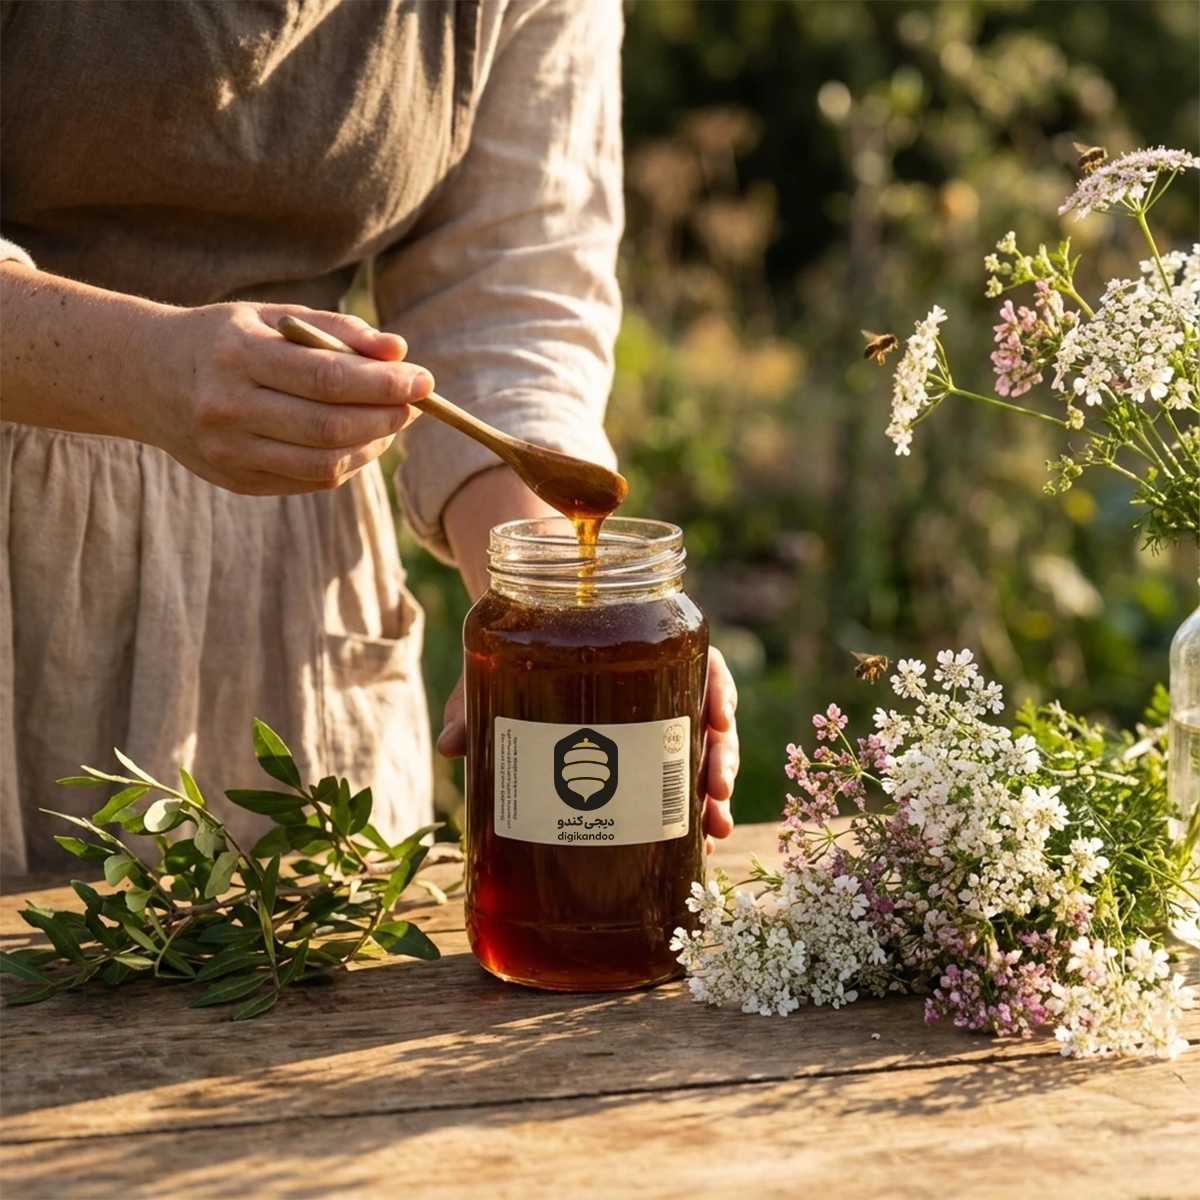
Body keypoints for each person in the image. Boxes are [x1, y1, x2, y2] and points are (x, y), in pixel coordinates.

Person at [0, 0, 738, 874]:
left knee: (313, 975)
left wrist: (562, 619)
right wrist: (140, 366)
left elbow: (507, 296)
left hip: (294, 585)